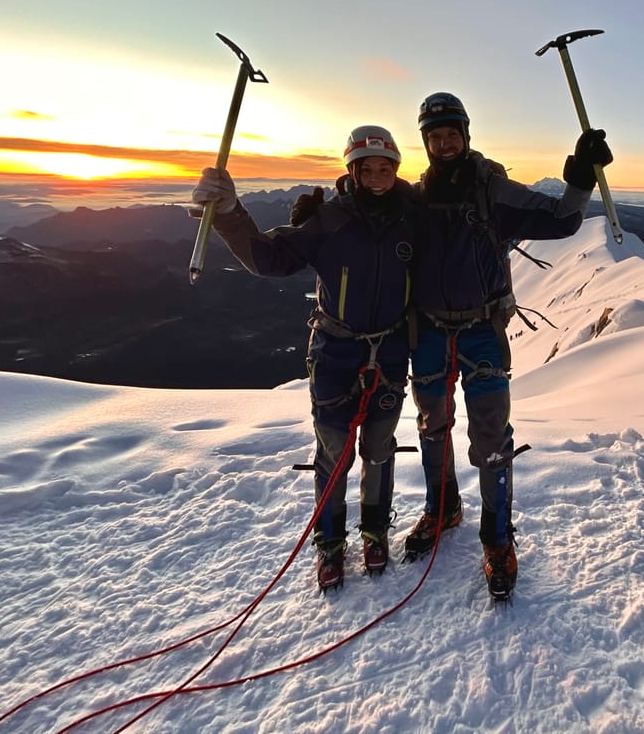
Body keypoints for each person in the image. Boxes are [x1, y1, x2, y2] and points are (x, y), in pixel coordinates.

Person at [404, 91, 611, 600]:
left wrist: (581, 174)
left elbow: (562, 218)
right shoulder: (414, 197)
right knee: (432, 427)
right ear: (426, 142)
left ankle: (496, 539)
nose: (445, 143)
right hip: (429, 331)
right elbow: (369, 216)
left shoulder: (492, 190)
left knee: (492, 439)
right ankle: (442, 508)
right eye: (436, 136)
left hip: (481, 332)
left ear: (466, 135)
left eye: (453, 134)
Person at [191, 126, 416, 592]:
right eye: (366, 168)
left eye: (385, 168)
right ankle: (329, 542)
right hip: (336, 351)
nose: (376, 177)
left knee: (378, 448)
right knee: (334, 452)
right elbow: (269, 259)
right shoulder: (328, 221)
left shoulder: (413, 217)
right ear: (351, 171)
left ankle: (375, 531)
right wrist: (230, 212)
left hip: (390, 351)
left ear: (396, 171)